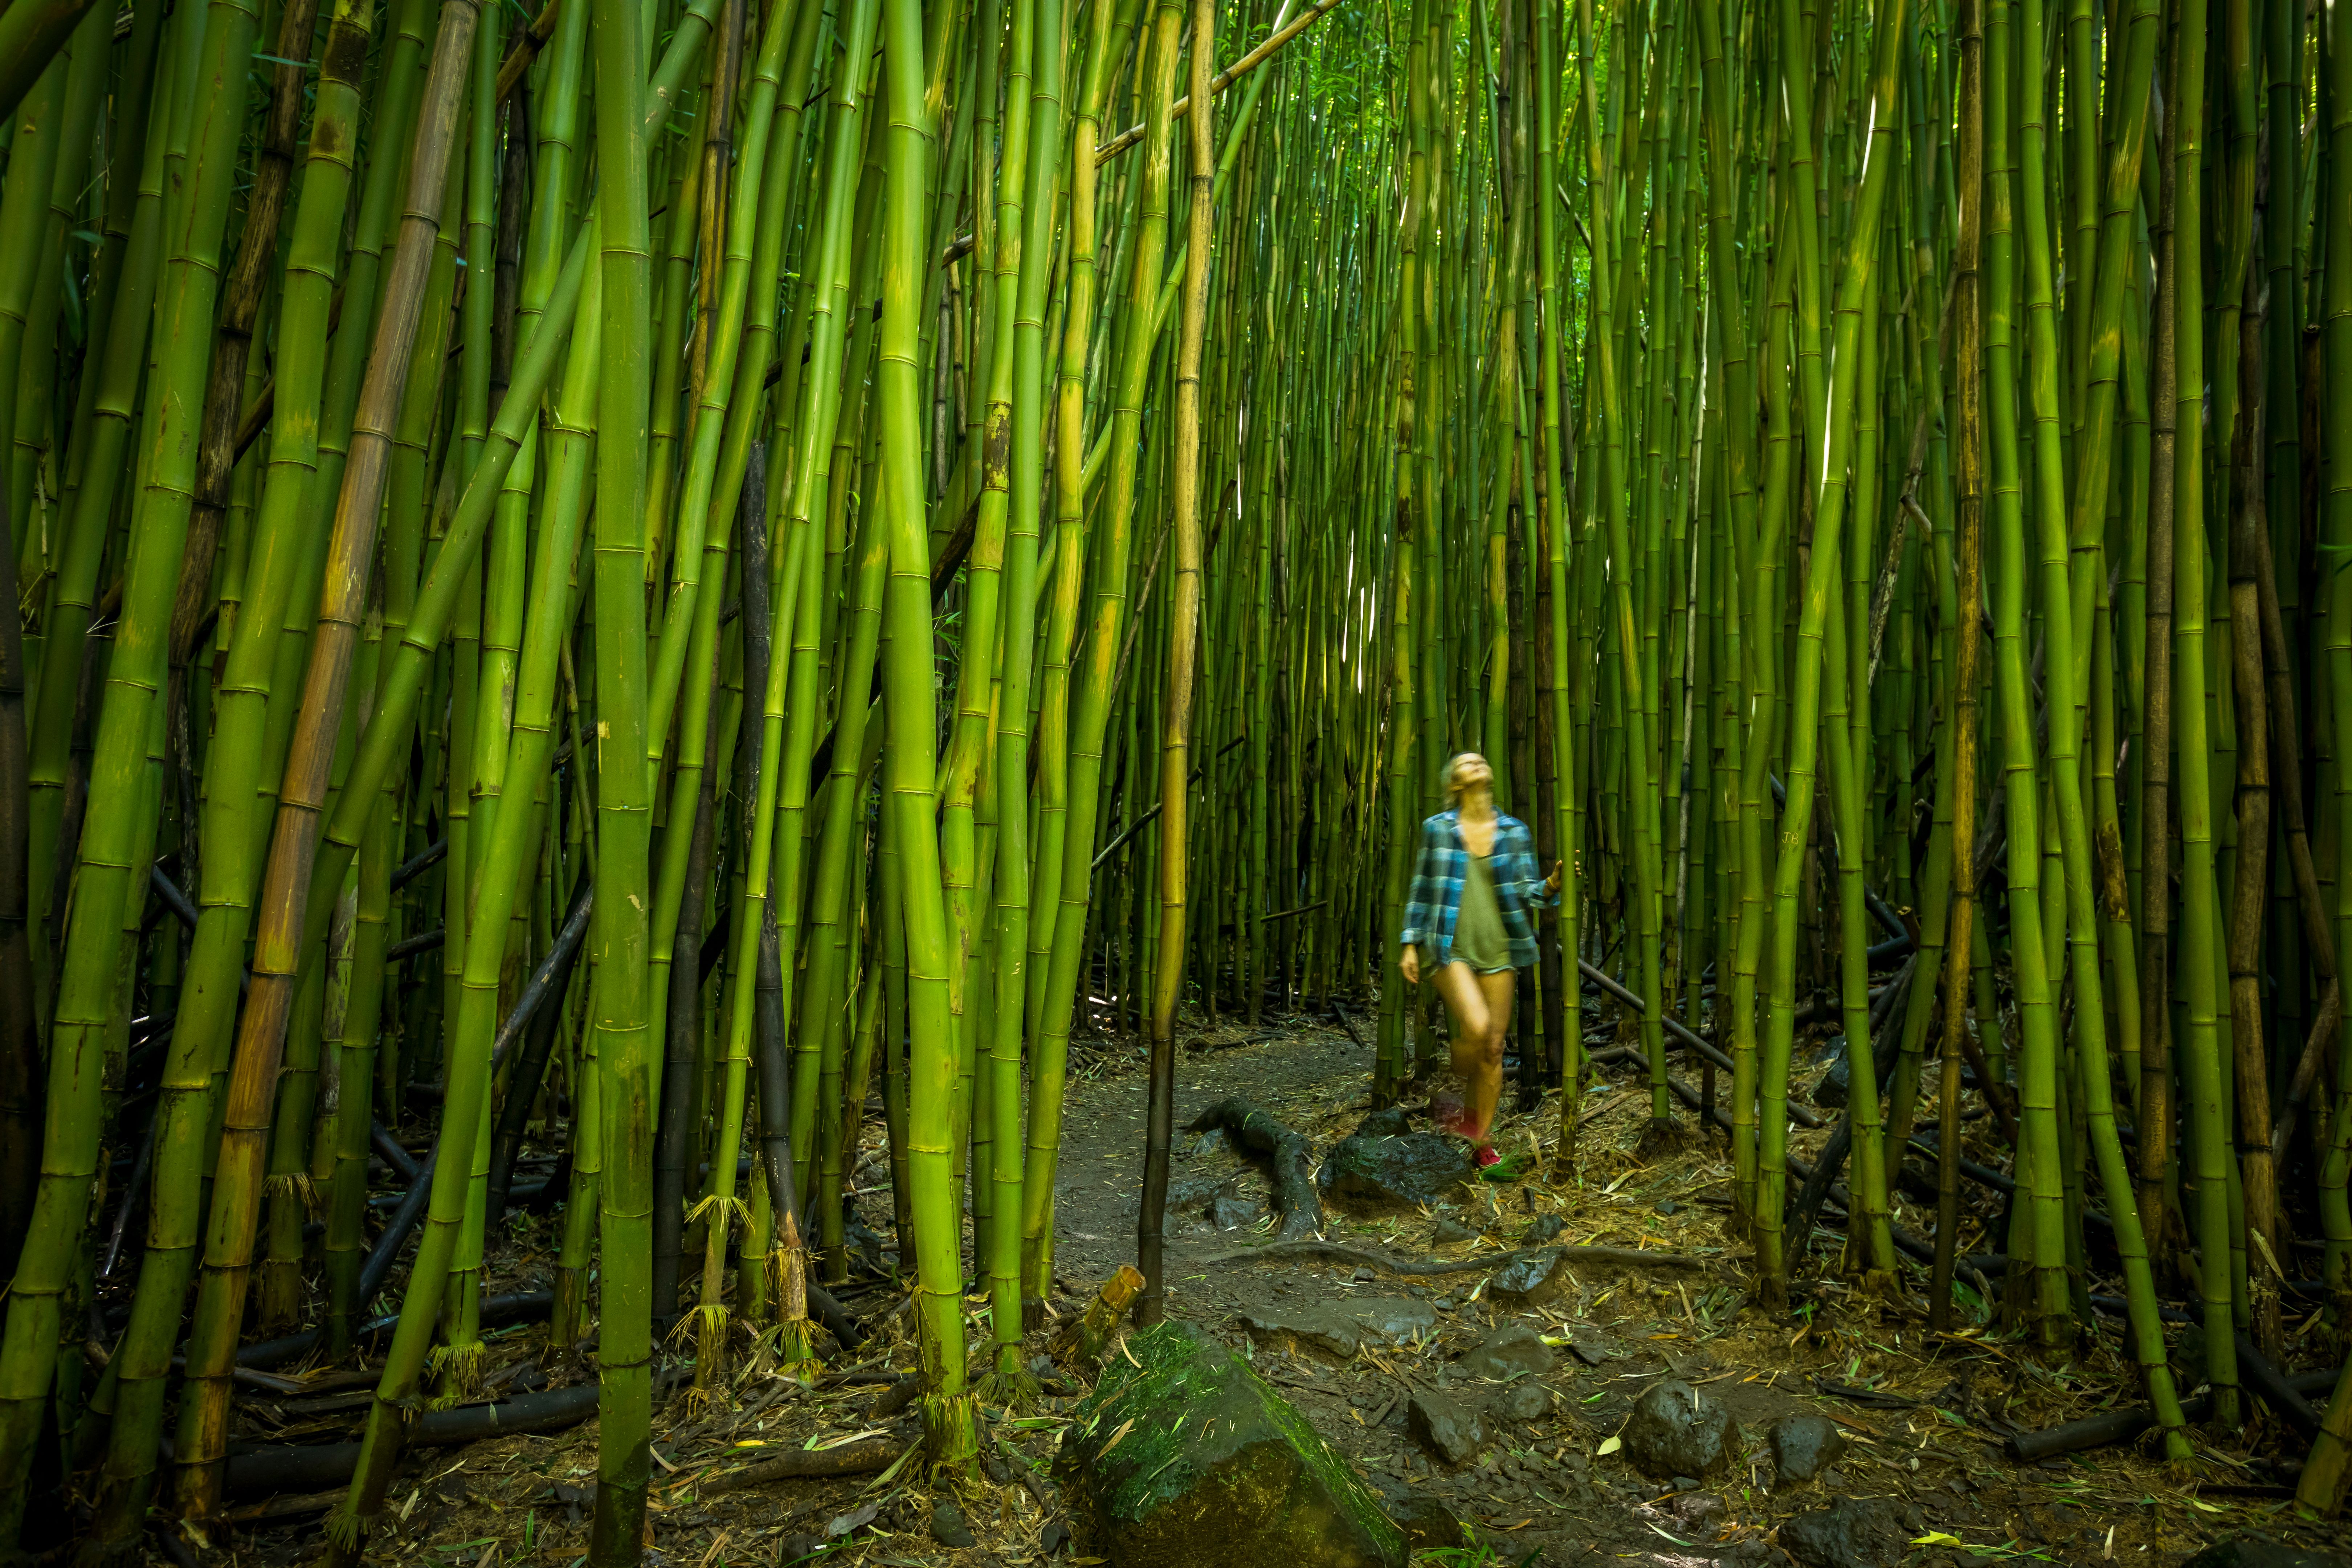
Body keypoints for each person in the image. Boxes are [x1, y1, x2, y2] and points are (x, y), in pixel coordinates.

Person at [1398, 753, 1562, 1165]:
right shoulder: (1437, 829)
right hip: (1448, 945)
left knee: (1492, 1048)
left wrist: (1552, 885)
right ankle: (1449, 1082)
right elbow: (1420, 888)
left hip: (1499, 948)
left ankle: (1479, 1141)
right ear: (1454, 782)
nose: (1476, 761)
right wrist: (1409, 944)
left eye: (1480, 759)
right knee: (1476, 1026)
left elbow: (1527, 889)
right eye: (1465, 761)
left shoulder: (1513, 831)